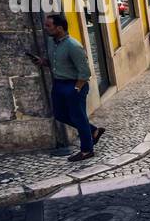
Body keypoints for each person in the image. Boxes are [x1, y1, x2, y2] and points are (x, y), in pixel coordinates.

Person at [31, 15, 103, 162]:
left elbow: (85, 72)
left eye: (48, 26)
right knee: (60, 114)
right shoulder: (52, 43)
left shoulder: (73, 46)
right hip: (58, 84)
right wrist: (43, 62)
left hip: (74, 85)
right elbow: (56, 63)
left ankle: (87, 150)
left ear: (59, 28)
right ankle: (93, 131)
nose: (45, 28)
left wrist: (76, 89)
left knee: (78, 117)